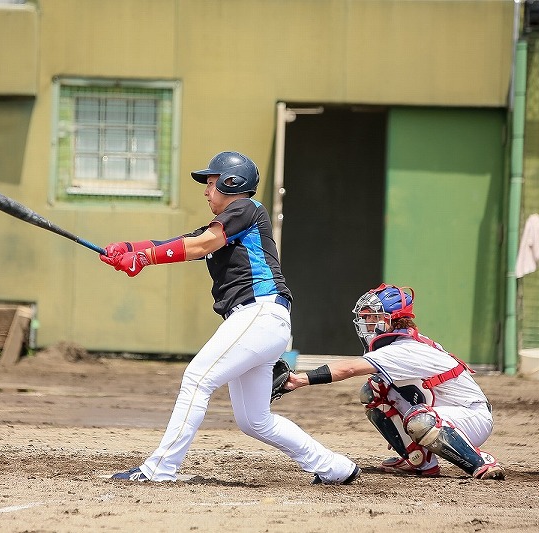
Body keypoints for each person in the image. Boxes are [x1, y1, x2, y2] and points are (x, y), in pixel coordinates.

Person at [98, 151, 360, 485]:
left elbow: (200, 245)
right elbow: (185, 242)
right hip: (261, 322)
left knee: (197, 380)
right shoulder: (228, 223)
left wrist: (144, 258)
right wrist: (129, 247)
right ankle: (336, 467)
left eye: (211, 183)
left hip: (258, 314)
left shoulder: (246, 208)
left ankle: (159, 468)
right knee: (255, 421)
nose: (206, 191)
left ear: (231, 183)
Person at [283, 284, 505, 480]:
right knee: (374, 390)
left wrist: (299, 379)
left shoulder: (404, 348)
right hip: (449, 411)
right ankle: (419, 460)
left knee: (420, 420)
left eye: (372, 317)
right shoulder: (401, 343)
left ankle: (481, 462)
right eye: (366, 317)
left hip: (472, 417)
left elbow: (349, 369)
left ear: (389, 320)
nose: (366, 323)